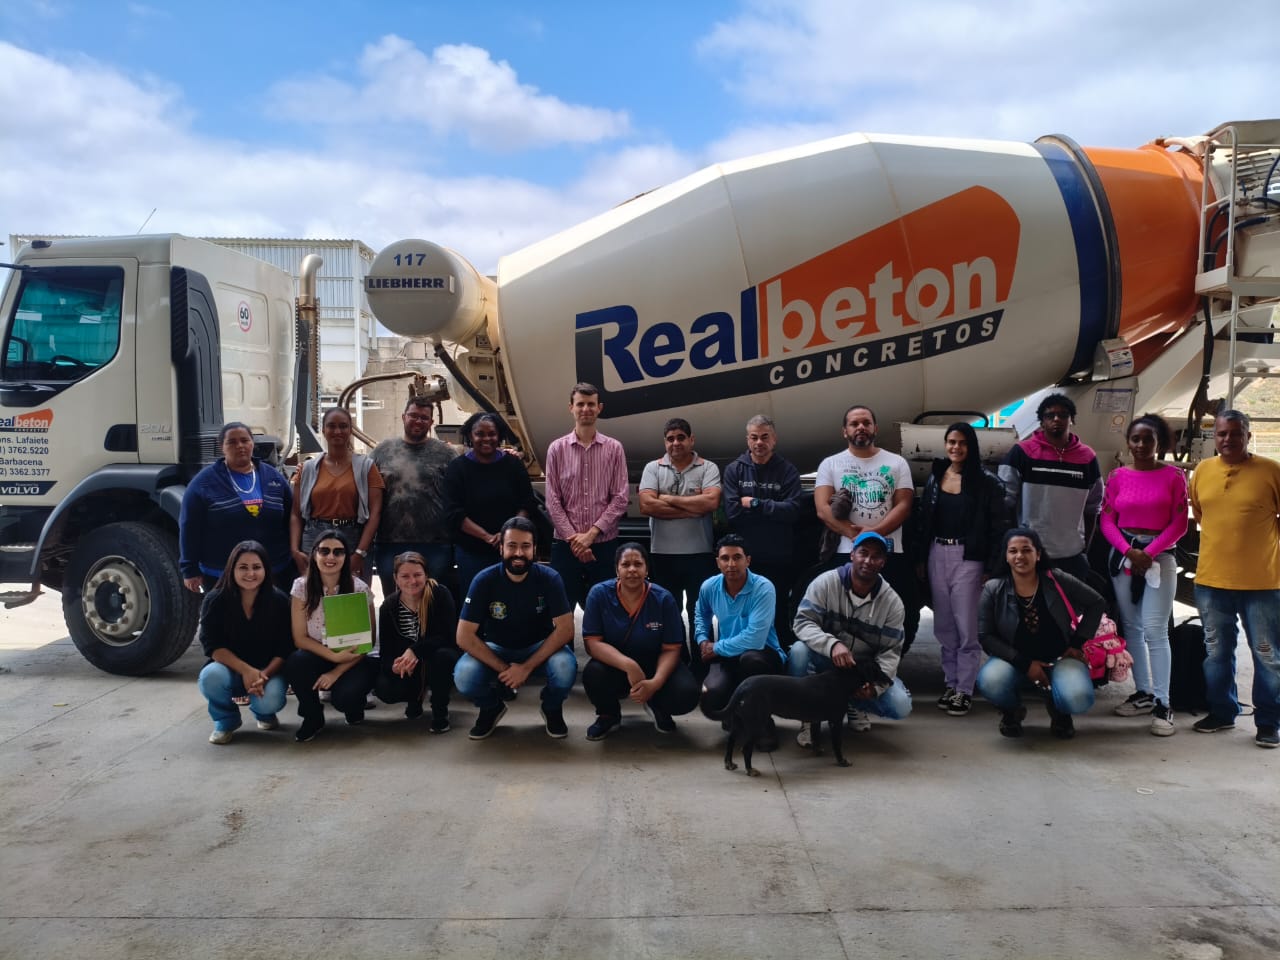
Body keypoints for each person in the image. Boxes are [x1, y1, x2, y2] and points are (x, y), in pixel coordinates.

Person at [813, 404, 918, 724]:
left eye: (866, 423)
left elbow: (904, 504)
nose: (861, 427)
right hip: (845, 553)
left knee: (890, 624)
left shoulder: (896, 462)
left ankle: (868, 686)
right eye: (854, 423)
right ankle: (835, 691)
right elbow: (822, 508)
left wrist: (873, 535)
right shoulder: (831, 463)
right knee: (840, 625)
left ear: (875, 428)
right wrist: (853, 535)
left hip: (889, 553)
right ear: (844, 431)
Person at [1188, 410, 1280, 748]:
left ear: (1248, 435)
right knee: (1216, 652)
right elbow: (1201, 513)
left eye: (1236, 433)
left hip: (1262, 583)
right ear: (1215, 437)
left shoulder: (1271, 471)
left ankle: (1268, 722)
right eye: (1222, 433)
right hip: (1211, 581)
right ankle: (1222, 712)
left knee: (1267, 654)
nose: (1228, 439)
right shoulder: (1202, 470)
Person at [911, 422, 1009, 717]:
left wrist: (991, 567)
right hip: (936, 553)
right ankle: (951, 684)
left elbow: (999, 527)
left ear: (972, 446)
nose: (956, 447)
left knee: (966, 626)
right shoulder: (937, 476)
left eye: (962, 442)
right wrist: (920, 557)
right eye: (951, 442)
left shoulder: (987, 483)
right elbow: (924, 520)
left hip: (969, 558)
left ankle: (964, 690)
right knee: (944, 625)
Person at [1100, 414, 1188, 735]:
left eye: (1147, 439)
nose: (1140, 445)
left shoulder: (1174, 476)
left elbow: (1180, 523)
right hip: (1124, 556)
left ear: (1159, 442)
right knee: (1132, 626)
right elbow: (1107, 520)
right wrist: (1128, 551)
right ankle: (1144, 693)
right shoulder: (1117, 476)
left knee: (1155, 629)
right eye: (1135, 439)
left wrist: (1148, 553)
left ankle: (1163, 704)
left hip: (1159, 557)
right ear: (1128, 442)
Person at [454, 517, 577, 740]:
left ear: (534, 549)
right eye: (512, 546)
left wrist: (526, 668)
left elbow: (566, 630)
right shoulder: (484, 580)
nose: (518, 553)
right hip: (496, 648)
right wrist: (505, 669)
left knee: (565, 668)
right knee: (464, 675)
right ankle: (490, 707)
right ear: (501, 548)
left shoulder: (550, 578)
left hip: (539, 647)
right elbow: (463, 636)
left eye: (525, 546)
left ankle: (551, 707)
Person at [975, 527, 1103, 739]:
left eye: (1026, 550)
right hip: (1013, 660)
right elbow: (985, 635)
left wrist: (1077, 643)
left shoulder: (1057, 579)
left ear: (1038, 554)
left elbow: (1097, 602)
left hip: (1059, 657)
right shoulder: (993, 588)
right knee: (991, 681)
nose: (1020, 556)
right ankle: (1012, 711)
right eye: (1013, 551)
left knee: (1078, 698)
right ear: (1006, 556)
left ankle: (1060, 711)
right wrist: (1026, 664)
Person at [789, 531, 913, 738]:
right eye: (863, 553)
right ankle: (808, 715)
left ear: (883, 562)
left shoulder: (892, 603)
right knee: (798, 652)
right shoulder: (825, 583)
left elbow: (891, 651)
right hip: (826, 660)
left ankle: (854, 703)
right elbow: (802, 622)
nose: (868, 561)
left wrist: (874, 687)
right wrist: (832, 644)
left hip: (861, 671)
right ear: (852, 555)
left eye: (876, 556)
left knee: (900, 705)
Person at [580, 542, 701, 740]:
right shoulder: (599, 594)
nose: (632, 569)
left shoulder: (663, 599)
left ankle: (657, 704)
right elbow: (592, 643)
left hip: (655, 664)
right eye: (625, 564)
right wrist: (629, 665)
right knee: (594, 674)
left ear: (647, 569)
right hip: (616, 666)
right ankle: (608, 714)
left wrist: (656, 683)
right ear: (616, 570)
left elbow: (671, 649)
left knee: (686, 694)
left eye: (638, 564)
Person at [283, 530, 378, 742]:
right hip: (318, 653)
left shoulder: (359, 589)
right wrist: (333, 656)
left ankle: (354, 706)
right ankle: (312, 717)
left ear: (346, 557)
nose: (331, 557)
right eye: (324, 551)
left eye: (338, 552)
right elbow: (300, 638)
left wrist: (336, 672)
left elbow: (368, 641)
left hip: (352, 658)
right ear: (314, 554)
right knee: (296, 662)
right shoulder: (301, 587)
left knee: (345, 699)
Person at [638, 417, 721, 661]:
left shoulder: (708, 468)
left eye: (681, 437)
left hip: (699, 553)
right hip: (663, 554)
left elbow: (711, 503)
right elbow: (646, 505)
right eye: (670, 439)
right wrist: (692, 508)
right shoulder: (653, 468)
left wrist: (667, 499)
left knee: (700, 613)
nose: (676, 443)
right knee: (669, 613)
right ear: (665, 442)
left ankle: (702, 663)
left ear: (691, 439)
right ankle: (677, 662)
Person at [195, 540, 293, 744]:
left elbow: (286, 647)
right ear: (232, 569)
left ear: (266, 569)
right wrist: (246, 671)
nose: (250, 573)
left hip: (267, 672)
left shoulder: (279, 601)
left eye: (256, 567)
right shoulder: (215, 600)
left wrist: (263, 675)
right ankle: (225, 720)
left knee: (271, 699)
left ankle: (264, 713)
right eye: (243, 567)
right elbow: (212, 646)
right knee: (210, 677)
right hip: (229, 669)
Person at [999, 393, 1102, 583]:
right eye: (1049, 415)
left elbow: (1093, 508)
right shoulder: (1022, 452)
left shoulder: (1087, 458)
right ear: (1042, 422)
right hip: (1030, 553)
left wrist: (1084, 549)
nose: (1056, 419)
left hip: (1071, 556)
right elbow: (1004, 504)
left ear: (1071, 419)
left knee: (1068, 603)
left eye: (1063, 415)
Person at [544, 382, 630, 611]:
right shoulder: (556, 449)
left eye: (591, 404)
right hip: (566, 546)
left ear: (599, 408)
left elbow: (620, 498)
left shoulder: (614, 449)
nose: (586, 409)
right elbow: (552, 501)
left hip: (603, 545)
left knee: (605, 608)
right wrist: (575, 540)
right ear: (570, 408)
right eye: (580, 404)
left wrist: (590, 536)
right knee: (561, 609)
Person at [179, 421, 293, 593]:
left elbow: (291, 519)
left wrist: (296, 555)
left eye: (244, 440)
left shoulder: (274, 477)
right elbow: (189, 528)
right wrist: (189, 569)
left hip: (274, 571)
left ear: (252, 443)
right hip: (222, 575)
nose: (240, 446)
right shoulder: (203, 484)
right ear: (222, 447)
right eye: (232, 442)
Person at [721, 414, 804, 649]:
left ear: (774, 439)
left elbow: (793, 511)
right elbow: (733, 513)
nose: (759, 442)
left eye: (765, 437)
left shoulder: (787, 470)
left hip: (778, 557)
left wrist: (755, 504)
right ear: (747, 440)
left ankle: (780, 658)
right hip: (745, 560)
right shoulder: (734, 470)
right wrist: (774, 510)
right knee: (742, 612)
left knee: (777, 612)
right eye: (754, 437)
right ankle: (738, 656)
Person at [694, 535, 787, 740]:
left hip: (764, 656)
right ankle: (736, 714)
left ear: (748, 560)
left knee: (750, 659)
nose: (731, 564)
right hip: (728, 656)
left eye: (737, 557)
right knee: (712, 695)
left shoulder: (763, 588)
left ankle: (762, 720)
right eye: (725, 558)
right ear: (718, 562)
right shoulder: (709, 586)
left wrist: (715, 648)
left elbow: (755, 639)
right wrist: (702, 640)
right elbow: (701, 614)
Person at [443, 412, 537, 601]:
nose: (486, 439)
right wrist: (487, 537)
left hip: (511, 550)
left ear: (499, 435)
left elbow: (527, 503)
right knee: (475, 601)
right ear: (470, 436)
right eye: (480, 434)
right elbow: (453, 512)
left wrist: (507, 534)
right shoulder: (457, 468)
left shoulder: (513, 465)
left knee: (512, 599)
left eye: (492, 434)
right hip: (471, 551)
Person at [371, 396, 459, 599]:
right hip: (390, 543)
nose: (418, 421)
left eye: (424, 417)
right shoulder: (382, 451)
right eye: (413, 415)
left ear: (431, 422)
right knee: (394, 602)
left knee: (432, 602)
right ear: (403, 417)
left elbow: (459, 492)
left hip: (435, 544)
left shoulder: (446, 454)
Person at [290, 406, 384, 581]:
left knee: (352, 593)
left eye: (343, 426)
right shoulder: (308, 469)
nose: (337, 431)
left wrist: (360, 552)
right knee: (315, 593)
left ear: (350, 430)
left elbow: (375, 514)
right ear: (324, 430)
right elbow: (296, 513)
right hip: (314, 538)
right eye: (332, 426)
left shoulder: (366, 467)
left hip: (353, 538)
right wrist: (295, 550)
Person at [375, 551, 460, 733]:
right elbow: (386, 650)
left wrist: (415, 650)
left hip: (437, 656)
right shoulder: (388, 607)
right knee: (385, 689)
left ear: (426, 575)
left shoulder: (440, 594)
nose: (412, 581)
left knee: (442, 657)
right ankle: (414, 699)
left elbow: (448, 636)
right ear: (395, 579)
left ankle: (440, 710)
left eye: (417, 575)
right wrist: (394, 666)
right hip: (409, 663)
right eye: (405, 576)